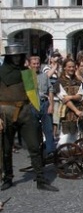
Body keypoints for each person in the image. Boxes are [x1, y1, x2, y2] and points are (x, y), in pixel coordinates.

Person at [0, 44, 58, 192]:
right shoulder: (1, 72)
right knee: (6, 149)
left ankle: (40, 179)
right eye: (14, 56)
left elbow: (33, 95)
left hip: (26, 113)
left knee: (34, 146)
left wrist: (37, 112)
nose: (16, 58)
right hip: (5, 113)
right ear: (8, 57)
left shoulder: (27, 73)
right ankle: (8, 178)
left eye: (19, 56)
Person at [28, 55, 56, 159]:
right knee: (34, 130)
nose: (36, 66)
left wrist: (51, 105)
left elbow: (51, 90)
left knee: (48, 129)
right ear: (30, 65)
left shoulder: (44, 75)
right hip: (33, 104)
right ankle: (36, 152)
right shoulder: (27, 76)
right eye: (34, 64)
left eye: (37, 64)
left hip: (44, 102)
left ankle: (50, 151)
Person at [54, 58, 83, 146]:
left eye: (73, 67)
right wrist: (76, 111)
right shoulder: (59, 82)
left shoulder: (78, 81)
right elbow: (64, 99)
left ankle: (75, 154)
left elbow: (80, 96)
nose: (71, 69)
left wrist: (71, 97)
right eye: (69, 67)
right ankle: (62, 154)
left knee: (78, 136)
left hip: (79, 112)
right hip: (67, 112)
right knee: (65, 136)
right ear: (64, 68)